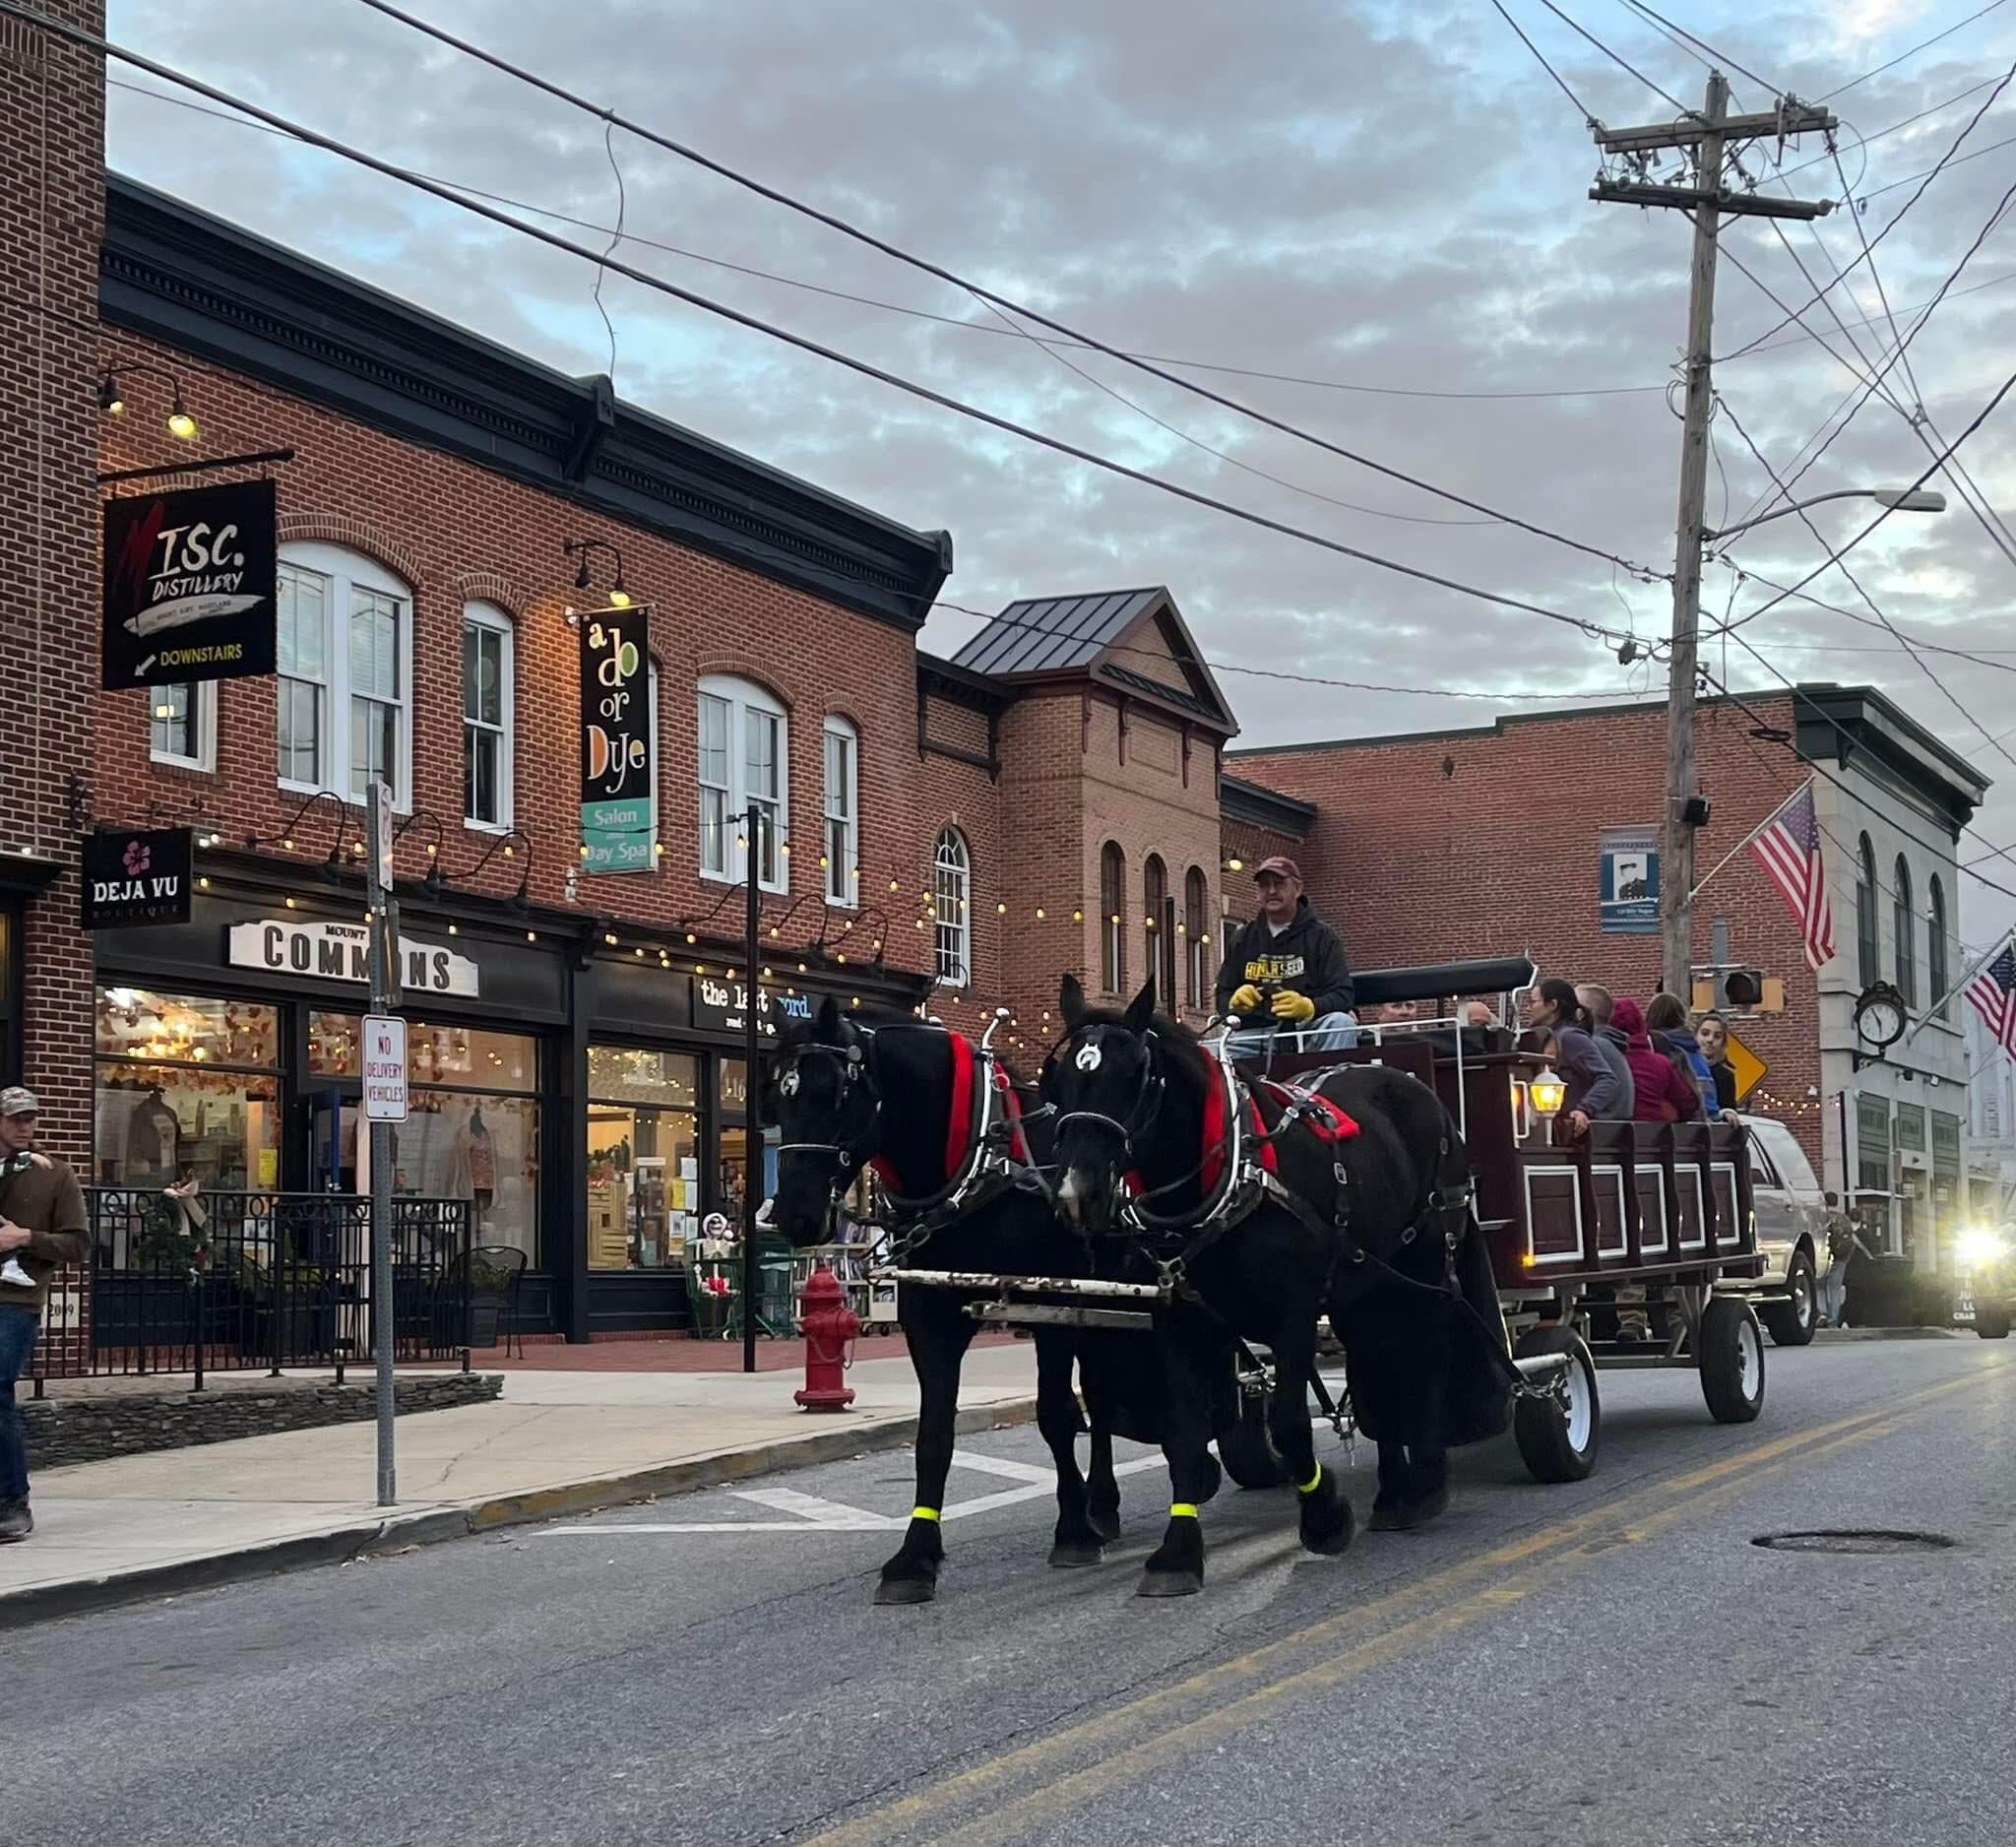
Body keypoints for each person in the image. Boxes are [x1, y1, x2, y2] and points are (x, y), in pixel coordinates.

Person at [0, 1087, 90, 1542]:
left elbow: (78, 1243)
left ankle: (12, 1502)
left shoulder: (55, 1176)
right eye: (16, 1118)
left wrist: (25, 1239)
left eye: (30, 1119)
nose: (24, 1127)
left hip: (15, 1301)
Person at [1216, 857, 1358, 1055]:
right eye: (1265, 886)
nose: (1272, 891)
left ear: (1298, 889)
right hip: (1255, 1036)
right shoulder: (1243, 938)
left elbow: (1343, 995)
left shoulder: (1323, 937)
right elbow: (1222, 995)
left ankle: (1330, 1085)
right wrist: (1234, 1002)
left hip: (1308, 1029)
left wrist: (1309, 1007)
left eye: (1279, 884)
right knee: (1207, 1052)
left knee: (1342, 1023)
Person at [1524, 979, 1627, 1136]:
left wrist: (1584, 1109)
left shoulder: (1570, 1038)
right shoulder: (1548, 1037)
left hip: (1568, 1133)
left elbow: (1607, 1079)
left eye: (1533, 1002)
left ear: (1552, 1005)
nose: (1527, 1008)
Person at [1613, 997, 1704, 1121]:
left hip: (1600, 1135)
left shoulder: (1600, 1058)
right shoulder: (1662, 1063)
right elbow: (1689, 1103)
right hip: (1654, 1134)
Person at [1645, 993, 1724, 1118]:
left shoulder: (1652, 1049)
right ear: (1681, 1017)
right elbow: (1709, 1100)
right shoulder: (1696, 1053)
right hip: (1702, 1125)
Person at [1575, 985, 1638, 1125]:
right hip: (1615, 1132)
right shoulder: (1612, 1046)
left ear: (1581, 1013)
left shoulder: (1591, 1045)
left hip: (1594, 1131)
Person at [1817, 1190, 1856, 1328]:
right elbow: (1851, 1242)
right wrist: (1844, 1259)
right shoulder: (1844, 1219)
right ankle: (1833, 1320)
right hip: (1840, 1258)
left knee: (1819, 1287)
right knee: (1835, 1289)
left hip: (1822, 1258)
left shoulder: (1821, 1218)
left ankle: (1822, 1313)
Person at [1693, 1011, 1740, 1114]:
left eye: (1717, 1036)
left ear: (1723, 1042)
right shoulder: (1683, 1067)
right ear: (1695, 1036)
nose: (1710, 1039)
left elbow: (1729, 1108)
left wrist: (1727, 1113)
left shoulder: (1726, 1076)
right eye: (1705, 1033)